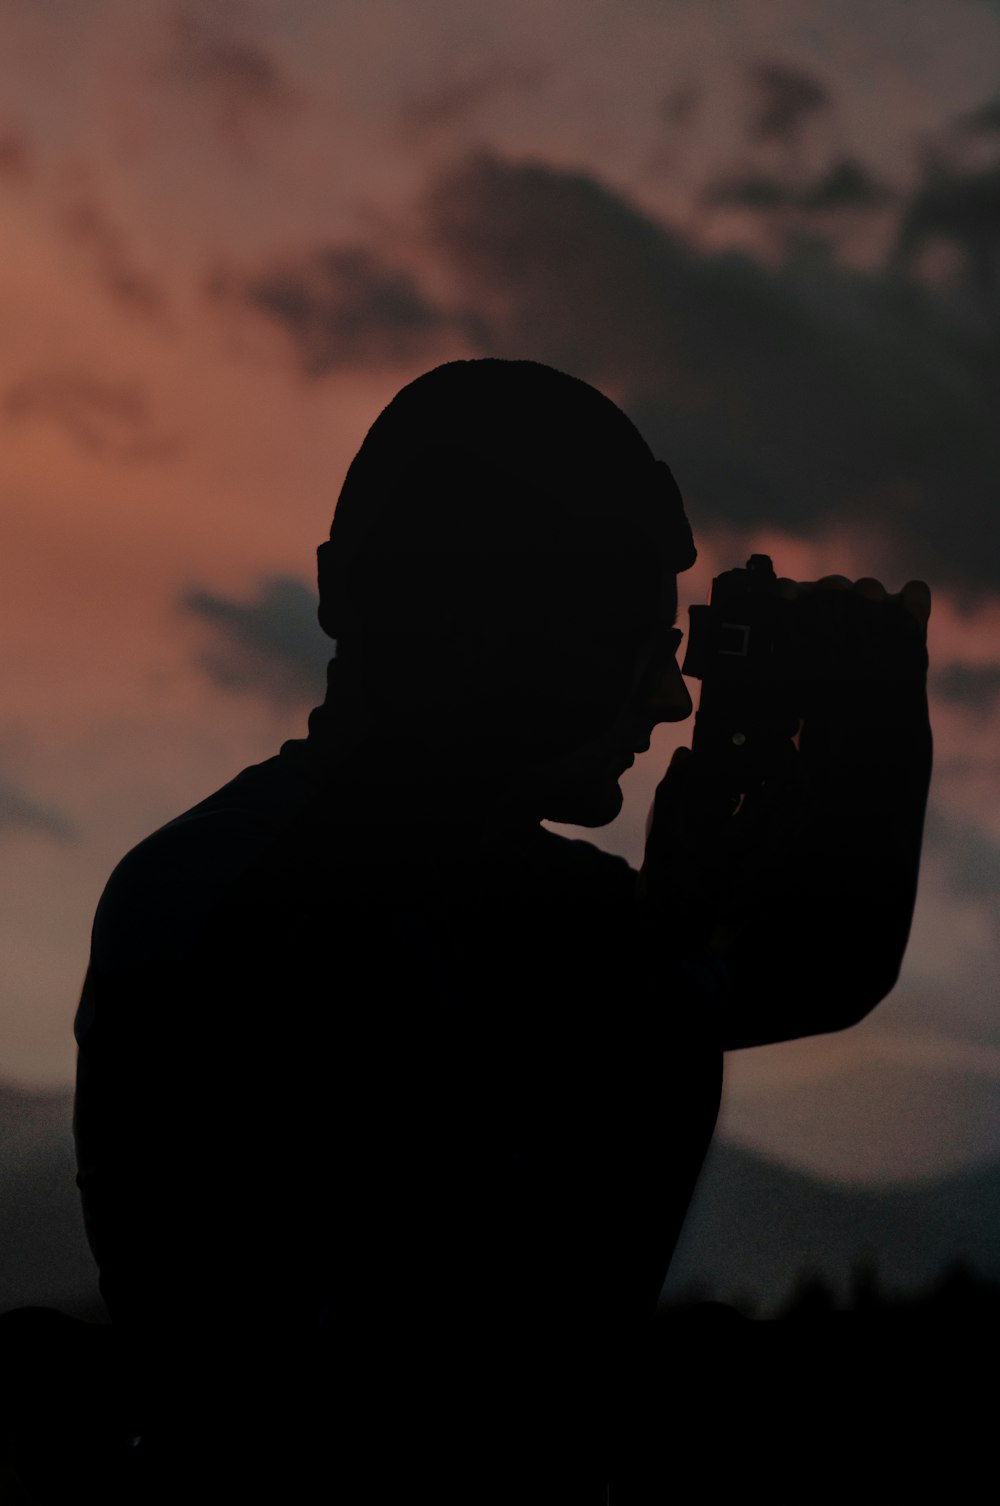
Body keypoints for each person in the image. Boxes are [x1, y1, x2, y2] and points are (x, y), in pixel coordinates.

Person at [73, 358, 932, 1501]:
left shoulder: (221, 880)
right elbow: (480, 1362)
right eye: (629, 636)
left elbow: (814, 972)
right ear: (484, 629)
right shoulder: (267, 909)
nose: (668, 700)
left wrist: (870, 753)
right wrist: (669, 966)